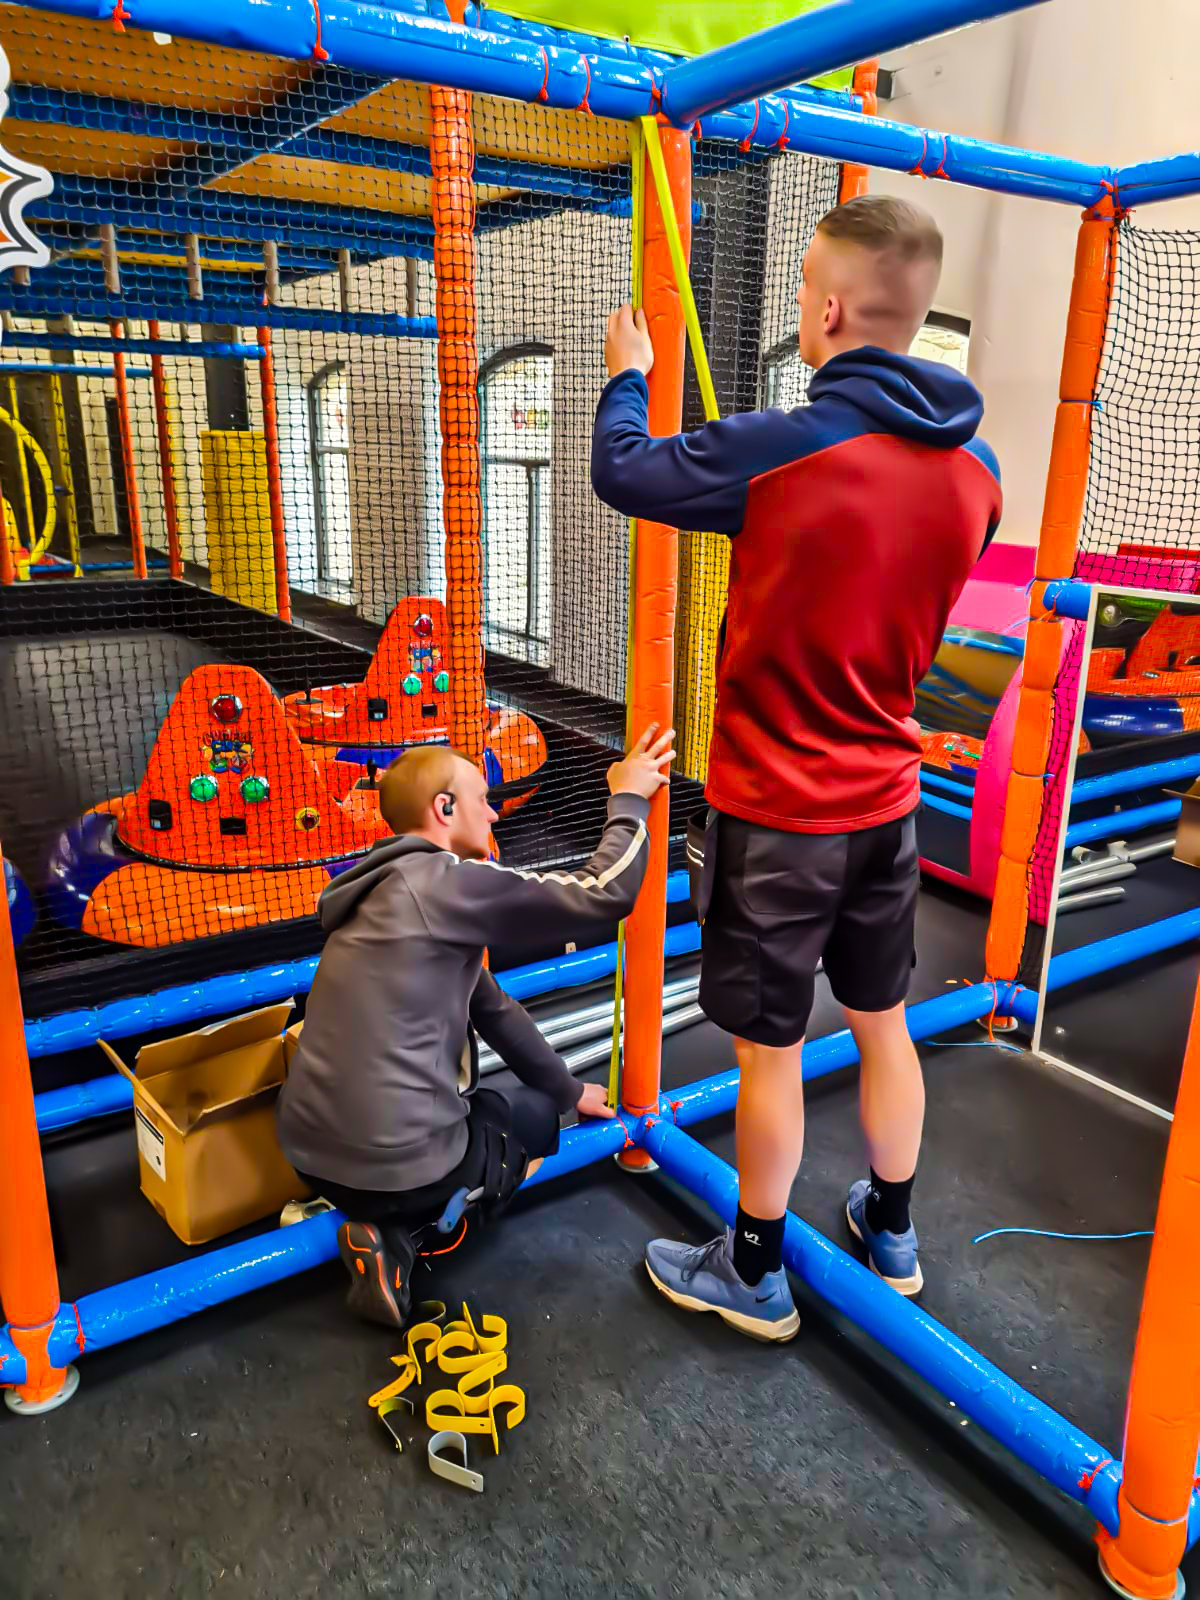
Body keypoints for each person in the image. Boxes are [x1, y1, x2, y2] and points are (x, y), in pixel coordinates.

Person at [591, 195, 1001, 1342]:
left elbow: (624, 471)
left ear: (825, 307)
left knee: (767, 1053)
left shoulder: (783, 446)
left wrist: (630, 373)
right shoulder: (981, 472)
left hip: (778, 818)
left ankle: (755, 1270)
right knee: (883, 1023)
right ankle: (895, 1230)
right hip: (887, 804)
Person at [276, 723, 675, 1329]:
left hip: (305, 1152)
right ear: (444, 808)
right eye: (482, 799)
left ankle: (360, 1209)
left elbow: (492, 1008)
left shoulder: (381, 892)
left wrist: (571, 1087)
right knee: (532, 1119)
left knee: (524, 1099)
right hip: (397, 1170)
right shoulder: (446, 882)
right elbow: (604, 893)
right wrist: (627, 797)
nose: (493, 814)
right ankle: (413, 1237)